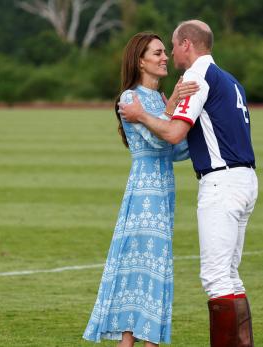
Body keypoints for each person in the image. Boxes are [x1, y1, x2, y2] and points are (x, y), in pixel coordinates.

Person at [120, 20, 258, 347]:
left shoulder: (197, 75)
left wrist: (141, 116)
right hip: (246, 179)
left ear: (186, 45)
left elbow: (173, 134)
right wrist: (167, 107)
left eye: (171, 45)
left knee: (215, 278)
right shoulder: (230, 78)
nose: (169, 53)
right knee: (230, 275)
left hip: (221, 182)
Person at [82, 32, 198, 346]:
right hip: (144, 192)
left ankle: (134, 341)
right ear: (140, 60)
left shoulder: (158, 100)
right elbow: (156, 140)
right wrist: (173, 105)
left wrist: (196, 126)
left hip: (165, 191)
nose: (165, 58)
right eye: (158, 53)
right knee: (146, 270)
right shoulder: (129, 99)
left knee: (151, 272)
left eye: (164, 52)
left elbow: (174, 150)